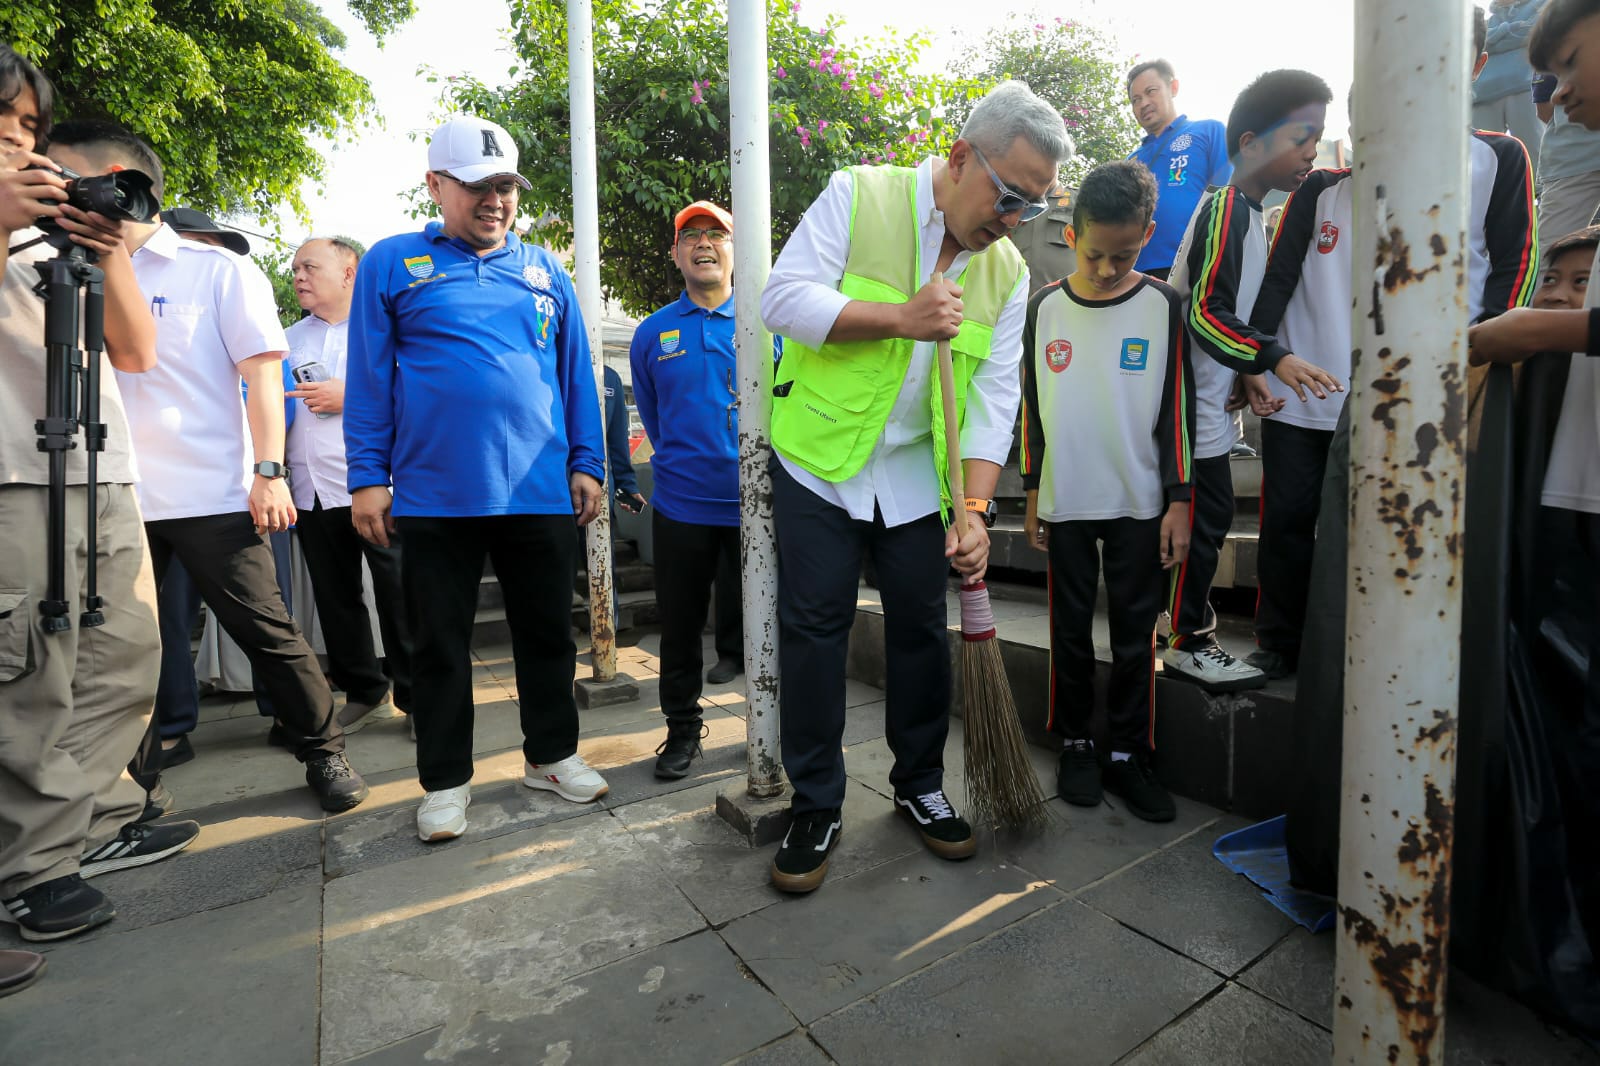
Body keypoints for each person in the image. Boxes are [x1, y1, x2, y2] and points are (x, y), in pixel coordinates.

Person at [759, 80, 1073, 893]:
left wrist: (974, 509)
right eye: (1008, 196)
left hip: (913, 480)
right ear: (961, 156)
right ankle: (817, 801)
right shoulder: (860, 196)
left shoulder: (1003, 273)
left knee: (919, 634)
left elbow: (995, 399)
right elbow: (782, 300)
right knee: (816, 629)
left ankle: (919, 786)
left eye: (1031, 208)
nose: (1012, 221)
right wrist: (901, 317)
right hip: (820, 464)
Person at [45, 121, 370, 814]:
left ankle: (323, 747)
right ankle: (138, 786)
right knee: (120, 652)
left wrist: (269, 470)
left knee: (266, 630)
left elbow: (261, 374)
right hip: (111, 493)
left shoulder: (214, 268)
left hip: (211, 493)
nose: (54, 186)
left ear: (116, 180)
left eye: (65, 173)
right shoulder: (60, 269)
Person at [345, 115, 610, 843]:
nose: (495, 200)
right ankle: (445, 782)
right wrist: (368, 476)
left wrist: (586, 461)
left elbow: (576, 374)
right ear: (435, 185)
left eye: (505, 186)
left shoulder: (545, 269)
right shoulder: (392, 263)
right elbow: (368, 379)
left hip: (537, 490)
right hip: (434, 494)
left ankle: (551, 756)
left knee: (548, 635)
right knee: (436, 645)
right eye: (477, 186)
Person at [0, 46, 199, 943]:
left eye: (29, 129)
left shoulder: (49, 229)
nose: (17, 145)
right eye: (0, 125)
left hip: (99, 466)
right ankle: (31, 867)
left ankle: (95, 825)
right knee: (28, 677)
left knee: (122, 657)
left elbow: (135, 350)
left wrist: (107, 246)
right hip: (12, 471)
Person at [1020, 160, 1193, 823]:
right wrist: (1033, 490)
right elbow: (1033, 408)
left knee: (1131, 638)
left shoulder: (1161, 306)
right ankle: (1078, 742)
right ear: (1072, 235)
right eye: (1093, 253)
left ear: (1146, 237)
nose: (1104, 267)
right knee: (1068, 633)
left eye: (1121, 255)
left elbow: (1174, 408)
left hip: (1139, 503)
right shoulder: (1045, 309)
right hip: (1065, 500)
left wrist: (1179, 500)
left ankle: (1129, 751)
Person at [1161, 69, 1338, 692]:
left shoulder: (1250, 215)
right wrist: (1272, 359)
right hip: (1192, 411)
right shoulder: (1228, 210)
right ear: (1253, 142)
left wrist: (1247, 373)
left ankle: (1186, 632)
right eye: (1304, 137)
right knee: (1204, 526)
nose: (1314, 151)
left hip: (1213, 401)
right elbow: (1205, 311)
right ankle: (1186, 639)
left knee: (1207, 524)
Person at [629, 199, 748, 779]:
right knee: (678, 628)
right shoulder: (653, 333)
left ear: (733, 250)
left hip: (759, 505)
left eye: (716, 234)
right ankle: (681, 731)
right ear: (676, 253)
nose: (704, 243)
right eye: (691, 236)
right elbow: (653, 419)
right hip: (681, 508)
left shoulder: (765, 324)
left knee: (770, 622)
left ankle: (772, 723)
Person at [282, 236, 415, 734]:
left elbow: (420, 392)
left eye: (309, 266)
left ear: (349, 272)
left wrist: (352, 394)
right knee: (335, 599)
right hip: (311, 491)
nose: (298, 276)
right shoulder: (287, 338)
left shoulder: (387, 329)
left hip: (377, 486)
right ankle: (364, 688)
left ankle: (419, 699)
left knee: (400, 596)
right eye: (295, 268)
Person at [1124, 60, 1233, 280]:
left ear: (1173, 88)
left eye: (1150, 92)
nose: (1143, 103)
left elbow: (1228, 194)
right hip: (1135, 272)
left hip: (1195, 265)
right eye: (1136, 100)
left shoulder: (1209, 131)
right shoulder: (1131, 160)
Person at [1472, 0, 1548, 162]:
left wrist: (1493, 36)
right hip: (1483, 94)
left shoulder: (1543, 5)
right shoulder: (1485, 20)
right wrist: (1514, 29)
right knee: (1478, 159)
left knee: (1535, 157)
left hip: (1525, 89)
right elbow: (1472, 41)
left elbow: (1536, 30)